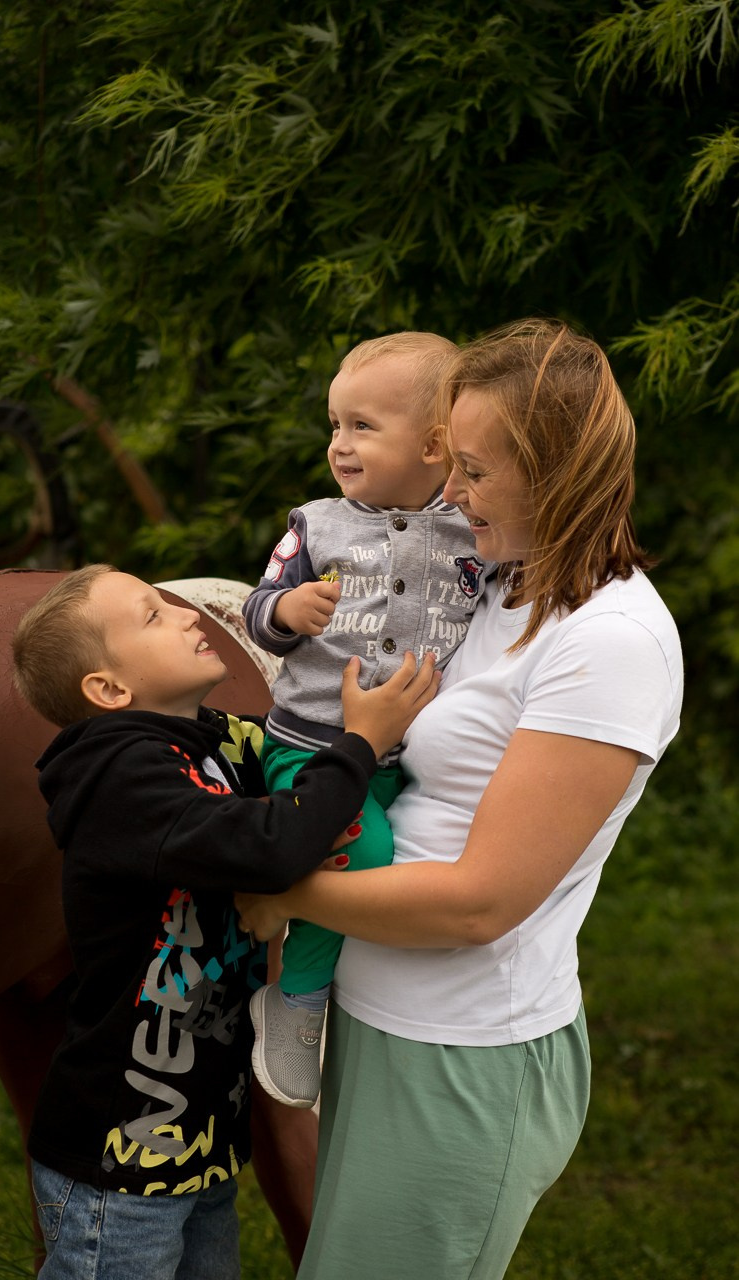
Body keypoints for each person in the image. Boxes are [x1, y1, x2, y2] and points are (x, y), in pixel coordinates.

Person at [236, 318, 684, 1279]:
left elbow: (480, 901)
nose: (449, 493)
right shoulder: (500, 591)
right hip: (384, 1019)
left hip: (463, 1051)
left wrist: (280, 892)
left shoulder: (609, 641)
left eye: (474, 471)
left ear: (556, 468)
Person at [10, 563, 439, 1280]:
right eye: (152, 615)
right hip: (119, 1157)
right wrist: (359, 747)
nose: (186, 613)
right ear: (110, 690)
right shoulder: (118, 776)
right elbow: (269, 845)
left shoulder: (218, 743)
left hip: (201, 1141)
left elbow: (291, 804)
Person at [242, 331, 490, 1107]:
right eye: (334, 425)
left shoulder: (469, 531)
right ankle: (297, 1001)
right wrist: (288, 607)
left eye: (361, 426)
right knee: (365, 846)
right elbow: (256, 611)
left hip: (406, 753)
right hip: (314, 745)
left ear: (433, 445)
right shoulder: (316, 525)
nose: (338, 445)